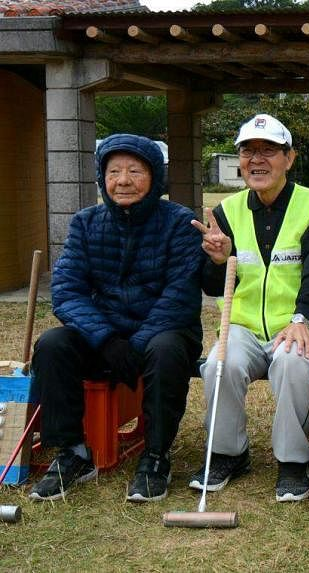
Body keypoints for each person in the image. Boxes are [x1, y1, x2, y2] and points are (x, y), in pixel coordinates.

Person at [29, 134, 204, 503]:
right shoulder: (86, 223)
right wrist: (106, 339)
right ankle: (72, 452)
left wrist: (136, 345)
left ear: (155, 177)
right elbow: (67, 290)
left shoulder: (179, 222)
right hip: (106, 338)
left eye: (135, 171)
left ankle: (156, 457)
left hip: (163, 334)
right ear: (102, 177)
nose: (123, 180)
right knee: (52, 344)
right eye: (113, 171)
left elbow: (180, 295)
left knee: (167, 347)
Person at [191, 114, 309, 502]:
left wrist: (301, 319)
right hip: (242, 327)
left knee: (292, 361)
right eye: (248, 151)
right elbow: (209, 285)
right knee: (220, 363)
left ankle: (293, 462)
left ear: (289, 158)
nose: (257, 159)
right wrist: (219, 261)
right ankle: (228, 453)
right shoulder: (226, 212)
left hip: (303, 323)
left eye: (268, 150)